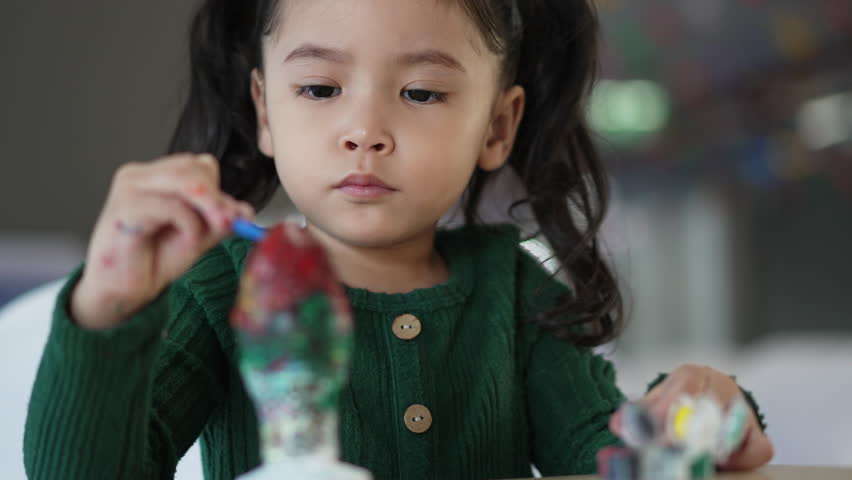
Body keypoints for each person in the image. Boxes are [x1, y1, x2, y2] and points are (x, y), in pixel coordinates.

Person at [23, 0, 774, 479]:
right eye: (319, 89)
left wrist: (696, 421)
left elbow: (607, 459)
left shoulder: (515, 294)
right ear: (265, 110)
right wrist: (108, 310)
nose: (365, 133)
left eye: (421, 92)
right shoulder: (222, 285)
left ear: (497, 126)